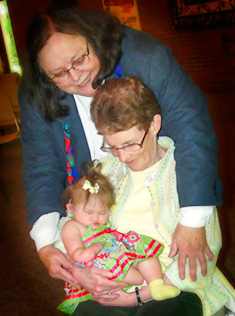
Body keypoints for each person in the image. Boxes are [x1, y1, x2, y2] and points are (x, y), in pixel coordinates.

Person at [18, 3, 221, 305]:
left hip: (160, 196)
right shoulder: (38, 92)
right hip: (102, 218)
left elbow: (193, 132)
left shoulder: (148, 58)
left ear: (94, 38)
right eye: (59, 73)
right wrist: (49, 246)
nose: (75, 77)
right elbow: (41, 168)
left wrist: (193, 221)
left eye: (80, 59)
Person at [88, 75, 235, 316]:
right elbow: (82, 225)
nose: (122, 158)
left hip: (179, 285)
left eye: (130, 144)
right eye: (112, 146)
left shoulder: (188, 173)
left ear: (154, 124)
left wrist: (138, 296)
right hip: (119, 278)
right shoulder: (106, 171)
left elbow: (200, 263)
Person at [55, 162, 180, 314]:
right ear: (71, 208)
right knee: (135, 276)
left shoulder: (100, 225)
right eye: (89, 212)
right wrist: (92, 250)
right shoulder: (72, 226)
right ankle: (142, 284)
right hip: (97, 263)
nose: (96, 217)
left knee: (146, 255)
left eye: (102, 212)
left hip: (116, 253)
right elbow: (77, 254)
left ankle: (156, 285)